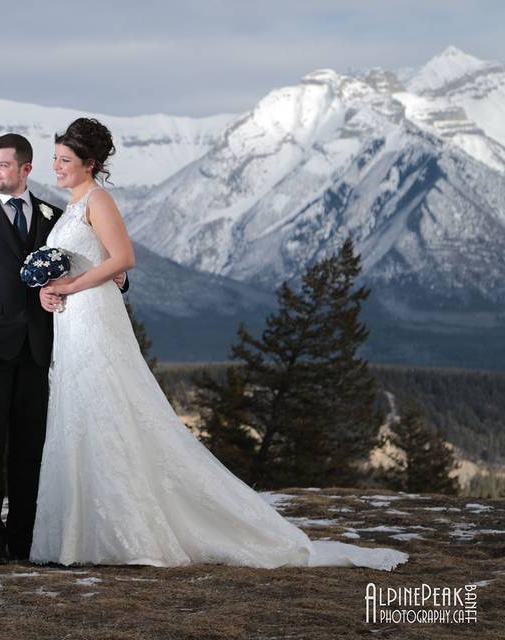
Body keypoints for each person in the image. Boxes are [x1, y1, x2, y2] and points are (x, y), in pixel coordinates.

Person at [30, 118, 408, 571]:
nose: (56, 167)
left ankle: (129, 533)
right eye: (54, 158)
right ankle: (80, 535)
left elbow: (123, 259)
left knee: (109, 404)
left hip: (94, 316)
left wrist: (71, 287)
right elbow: (84, 263)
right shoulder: (70, 207)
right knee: (80, 410)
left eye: (65, 160)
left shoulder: (97, 200)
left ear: (90, 164)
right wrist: (49, 288)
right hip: (72, 320)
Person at [0, 133, 127, 566]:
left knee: (30, 449)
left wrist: (118, 279)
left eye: (3, 165)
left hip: (42, 349)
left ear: (25, 170)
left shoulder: (55, 216)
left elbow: (91, 258)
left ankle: (23, 538)